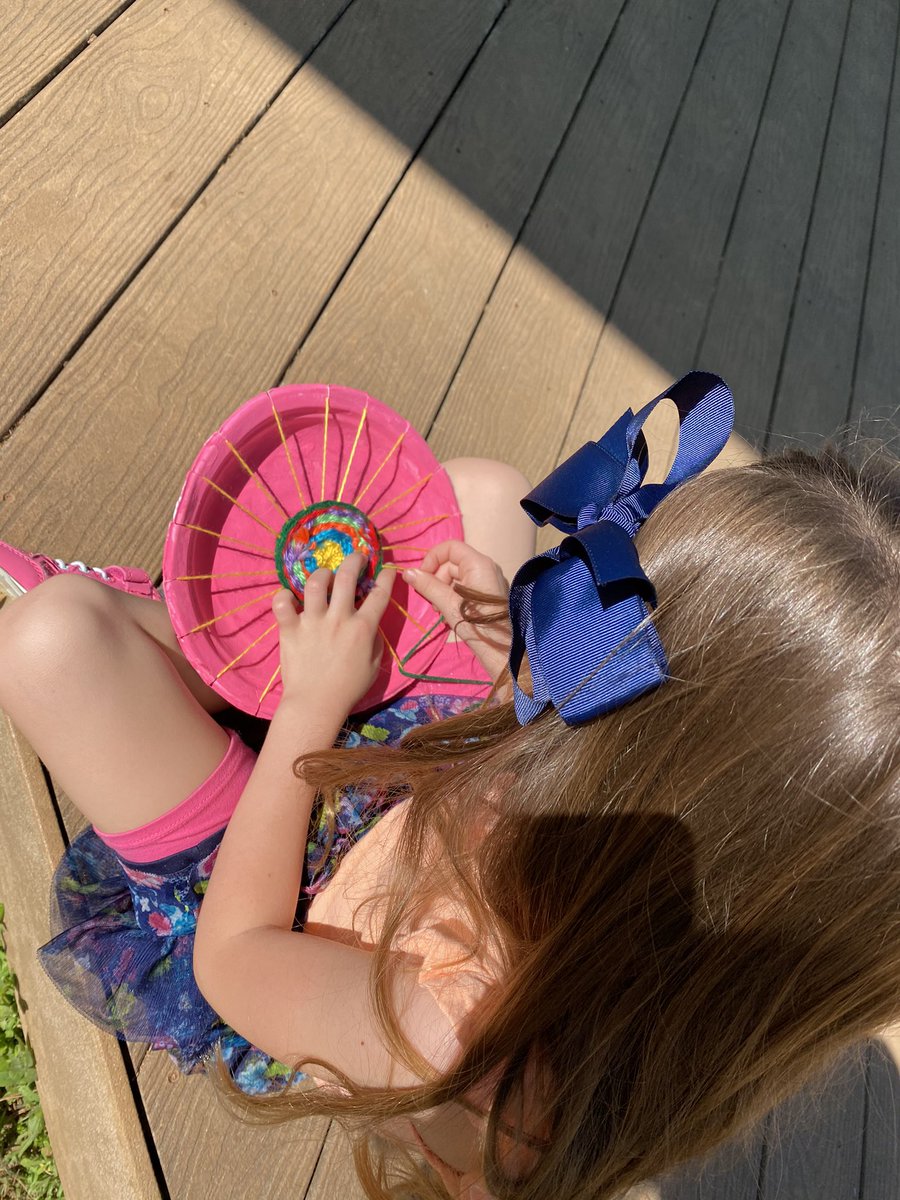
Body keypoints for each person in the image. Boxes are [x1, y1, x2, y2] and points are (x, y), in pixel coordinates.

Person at [1, 371, 899, 1200]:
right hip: (430, 809)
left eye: (602, 622)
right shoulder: (646, 894)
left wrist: (311, 709)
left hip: (282, 897)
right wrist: (517, 676)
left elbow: (234, 951)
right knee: (478, 492)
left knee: (52, 643)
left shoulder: (457, 1048)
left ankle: (193, 650)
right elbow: (565, 771)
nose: (571, 611)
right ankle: (205, 656)